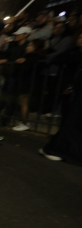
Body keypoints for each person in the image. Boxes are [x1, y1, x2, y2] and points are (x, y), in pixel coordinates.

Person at [39, 32, 82, 164]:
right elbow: (58, 58)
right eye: (79, 37)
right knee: (70, 120)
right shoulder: (73, 52)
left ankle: (60, 150)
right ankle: (59, 148)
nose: (80, 40)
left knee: (73, 121)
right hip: (74, 91)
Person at [12, 39, 46, 131]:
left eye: (30, 46)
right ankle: (24, 121)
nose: (27, 47)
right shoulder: (35, 57)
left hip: (27, 83)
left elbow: (25, 69)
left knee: (24, 102)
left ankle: (25, 123)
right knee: (22, 102)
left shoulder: (32, 57)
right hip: (28, 82)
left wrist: (20, 63)